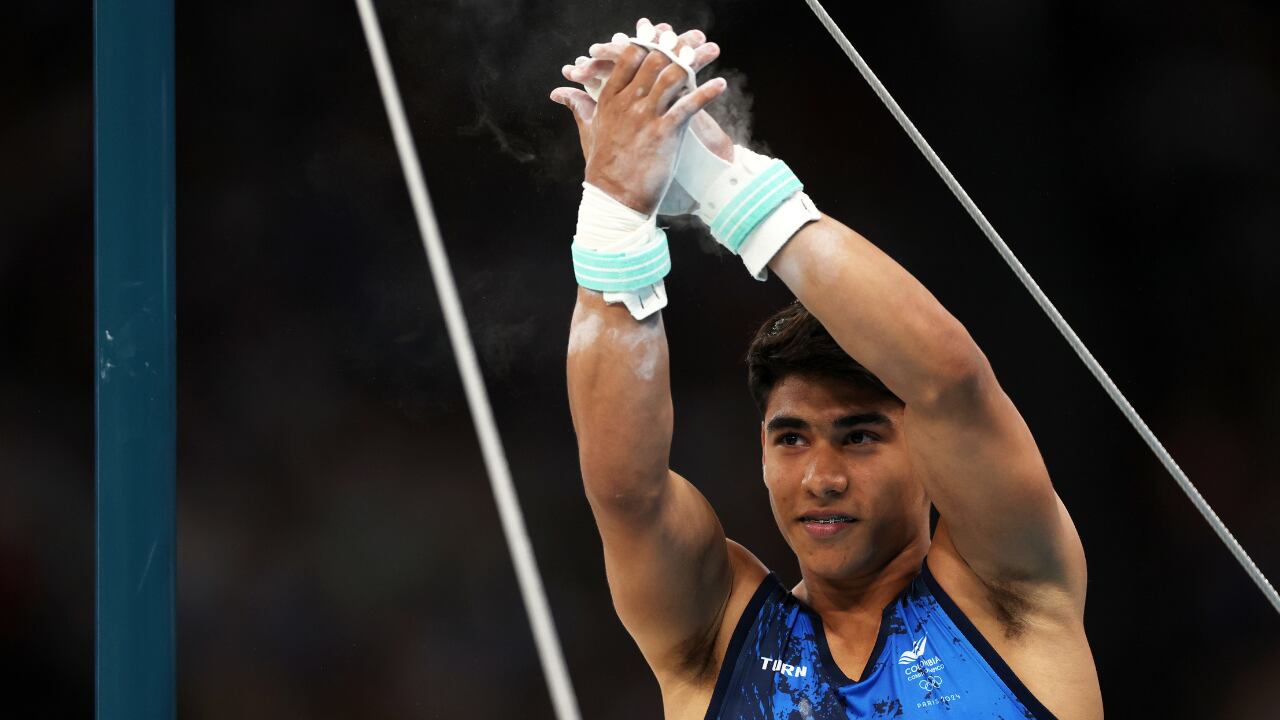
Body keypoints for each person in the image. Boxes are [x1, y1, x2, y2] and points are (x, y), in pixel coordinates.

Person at [551, 19, 1102, 719]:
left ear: (927, 448)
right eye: (791, 438)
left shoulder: (1010, 596)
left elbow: (948, 378)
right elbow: (625, 492)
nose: (822, 477)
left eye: (860, 436)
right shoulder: (717, 640)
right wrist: (617, 209)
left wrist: (731, 186)